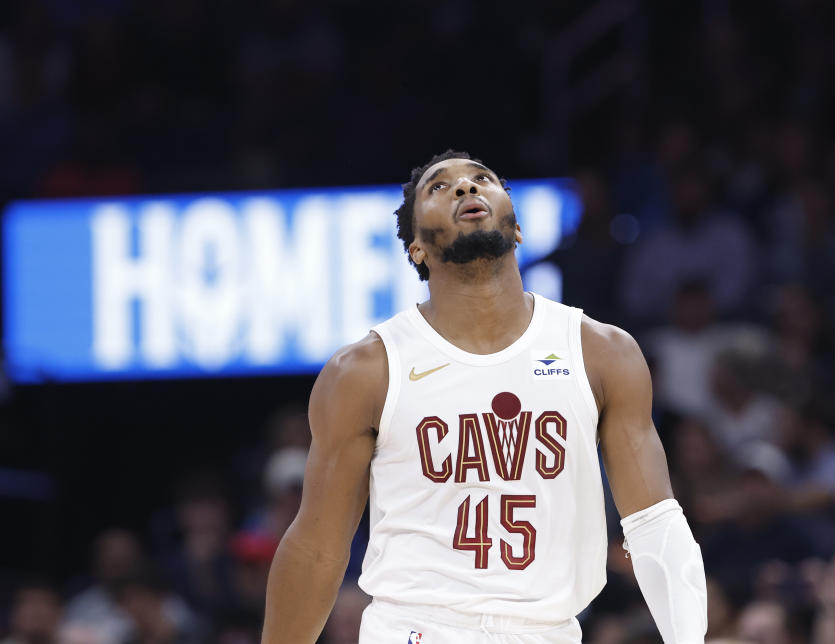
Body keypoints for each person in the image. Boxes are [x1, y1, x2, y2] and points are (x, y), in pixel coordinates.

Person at [261, 150, 708, 643]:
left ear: (517, 228)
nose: (466, 189)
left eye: (482, 180)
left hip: (549, 631)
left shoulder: (601, 352)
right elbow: (317, 548)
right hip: (416, 629)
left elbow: (654, 524)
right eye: (439, 187)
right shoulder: (365, 370)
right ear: (415, 248)